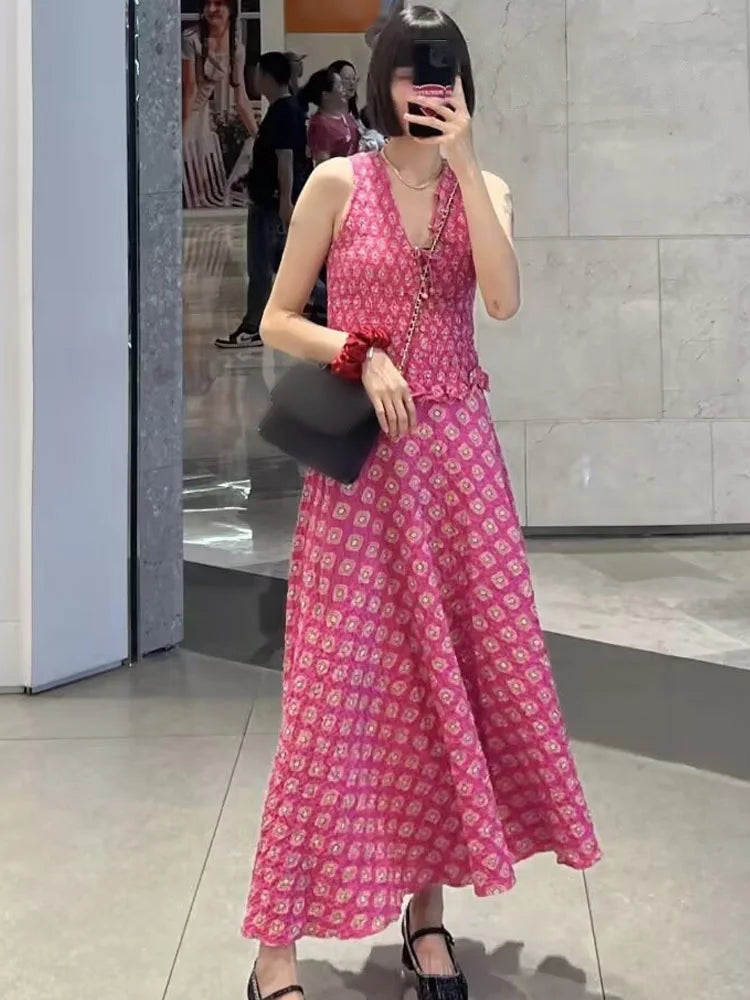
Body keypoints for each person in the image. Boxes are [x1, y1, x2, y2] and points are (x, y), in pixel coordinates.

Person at [242, 8, 601, 1000]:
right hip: (361, 475)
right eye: (412, 72)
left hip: (458, 476)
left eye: (443, 76)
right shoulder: (332, 181)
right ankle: (274, 945)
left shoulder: (485, 188)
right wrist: (360, 350)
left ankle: (428, 919)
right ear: (385, 76)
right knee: (329, 702)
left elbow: (504, 299)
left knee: (448, 694)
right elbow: (278, 316)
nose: (425, 91)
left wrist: (473, 162)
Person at [215, 52, 308, 350]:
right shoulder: (285, 109)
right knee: (278, 263)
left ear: (267, 76)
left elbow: (286, 159)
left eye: (257, 73)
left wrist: (284, 200)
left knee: (261, 266)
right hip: (269, 198)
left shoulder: (283, 112)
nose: (254, 79)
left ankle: (254, 326)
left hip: (270, 202)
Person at [181, 0, 258, 209]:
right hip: (184, 114)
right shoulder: (192, 39)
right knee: (191, 185)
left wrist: (259, 136)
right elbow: (189, 89)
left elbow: (241, 97)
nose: (211, 10)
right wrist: (180, 136)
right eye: (207, 4)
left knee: (206, 189)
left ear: (231, 9)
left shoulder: (236, 47)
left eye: (218, 4)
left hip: (201, 116)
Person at [301, 69, 360, 166]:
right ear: (326, 95)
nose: (343, 89)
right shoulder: (320, 125)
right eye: (339, 86)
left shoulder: (345, 117)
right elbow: (322, 164)